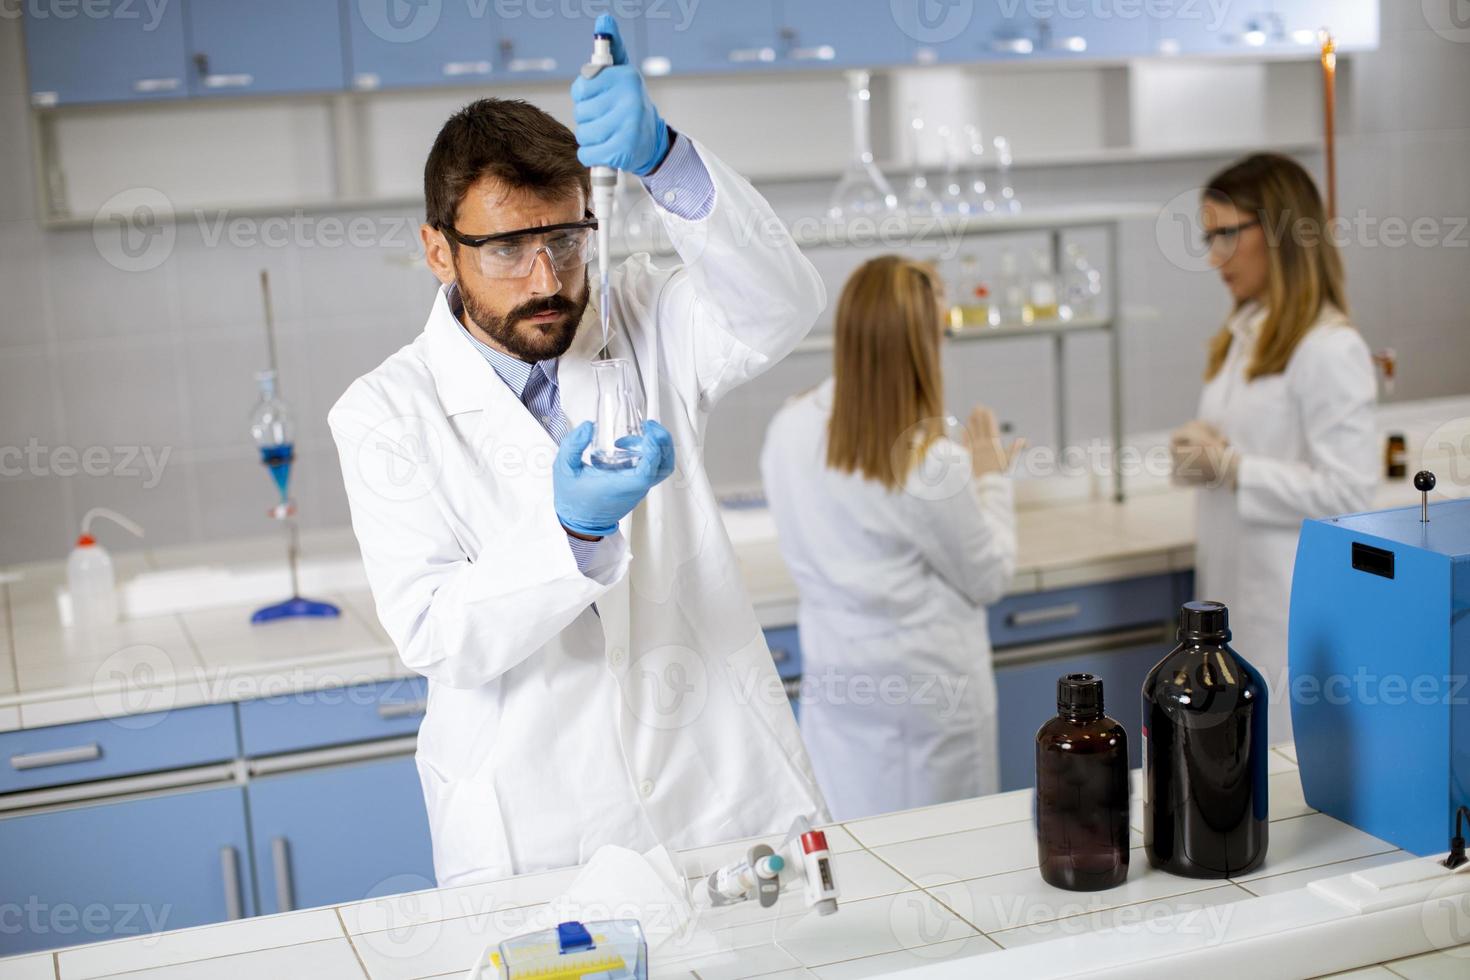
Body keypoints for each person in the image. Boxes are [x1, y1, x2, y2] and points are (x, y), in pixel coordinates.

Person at [329, 15, 829, 887]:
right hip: (537, 826)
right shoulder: (384, 412)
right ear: (437, 251)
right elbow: (436, 634)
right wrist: (572, 532)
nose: (546, 279)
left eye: (564, 238)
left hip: (715, 792)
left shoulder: (642, 315)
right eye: (508, 248)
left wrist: (666, 157)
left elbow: (779, 307)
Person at [760, 256, 1022, 821]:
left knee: (861, 853)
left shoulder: (790, 427)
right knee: (948, 863)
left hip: (842, 688)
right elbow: (990, 576)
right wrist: (992, 477)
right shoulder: (932, 463)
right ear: (925, 345)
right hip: (932, 701)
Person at [1170, 153, 1377, 743]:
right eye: (1208, 237)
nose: (1215, 258)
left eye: (1227, 234)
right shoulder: (1242, 338)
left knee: (1280, 777)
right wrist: (1202, 458)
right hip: (1232, 603)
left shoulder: (1329, 348)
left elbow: (1349, 492)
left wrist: (1234, 467)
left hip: (1286, 609)